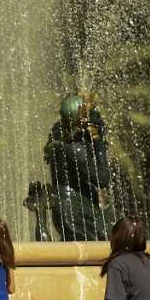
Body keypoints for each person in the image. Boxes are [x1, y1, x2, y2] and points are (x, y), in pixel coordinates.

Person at [44, 94, 112, 241]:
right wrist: (100, 145)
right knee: (117, 229)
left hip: (69, 209)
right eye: (85, 116)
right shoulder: (75, 150)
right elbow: (103, 180)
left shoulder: (59, 138)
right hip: (76, 215)